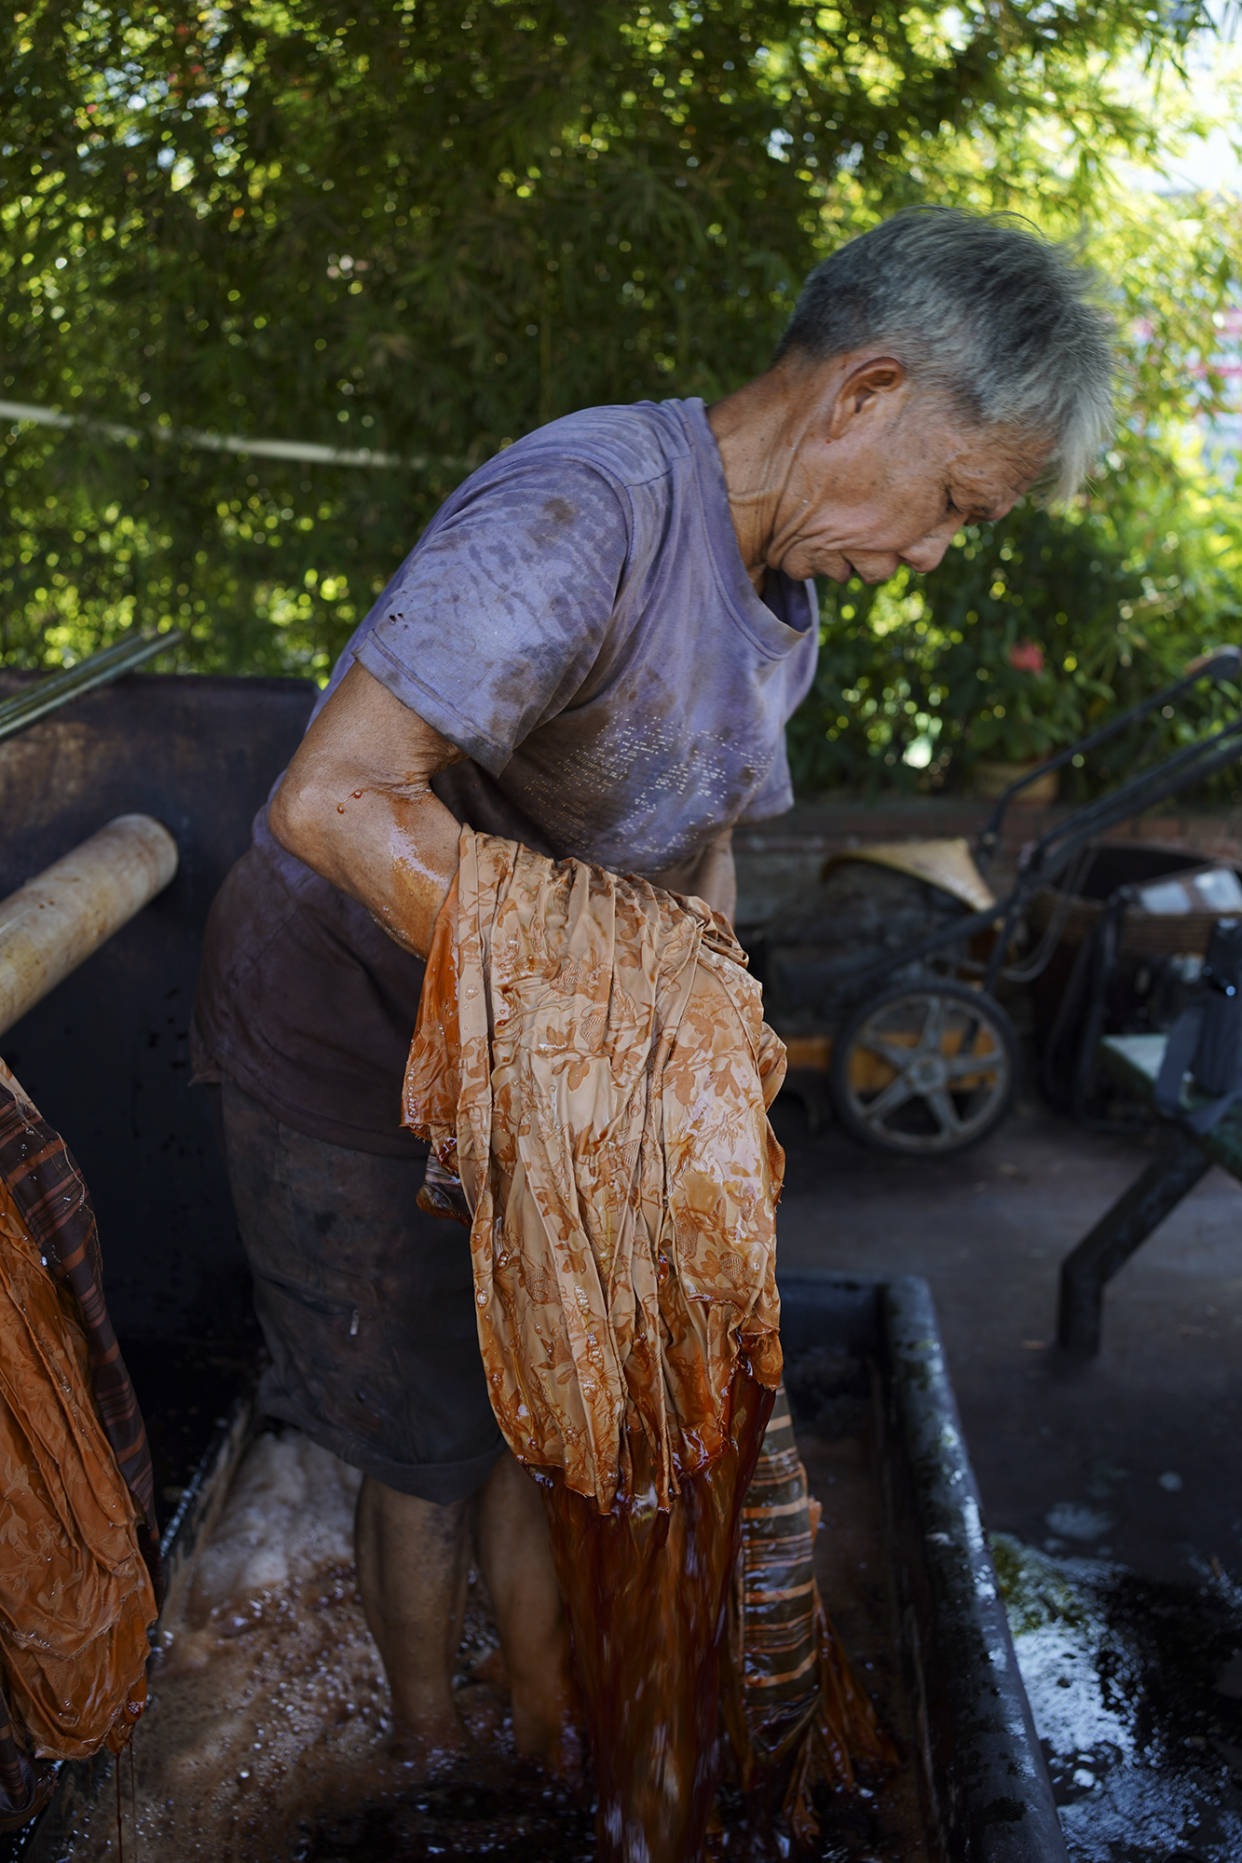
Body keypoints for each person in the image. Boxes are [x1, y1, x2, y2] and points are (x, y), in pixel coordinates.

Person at [192, 204, 1114, 1775]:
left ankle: (548, 1718)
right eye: (953, 504)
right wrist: (611, 1034)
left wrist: (708, 1056)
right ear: (864, 395)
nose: (935, 555)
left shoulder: (785, 604)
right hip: (344, 1034)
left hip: (524, 1056)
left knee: (532, 1395)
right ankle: (430, 1756)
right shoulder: (590, 504)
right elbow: (333, 803)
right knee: (421, 1433)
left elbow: (702, 845)